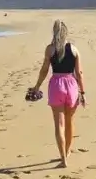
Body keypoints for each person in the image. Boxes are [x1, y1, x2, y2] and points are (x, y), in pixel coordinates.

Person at [30, 19, 85, 167]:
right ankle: (67, 151)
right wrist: (83, 92)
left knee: (59, 125)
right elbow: (79, 73)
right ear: (66, 32)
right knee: (69, 123)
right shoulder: (74, 49)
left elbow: (44, 70)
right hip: (72, 85)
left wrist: (36, 87)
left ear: (54, 33)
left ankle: (63, 159)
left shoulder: (50, 49)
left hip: (56, 85)